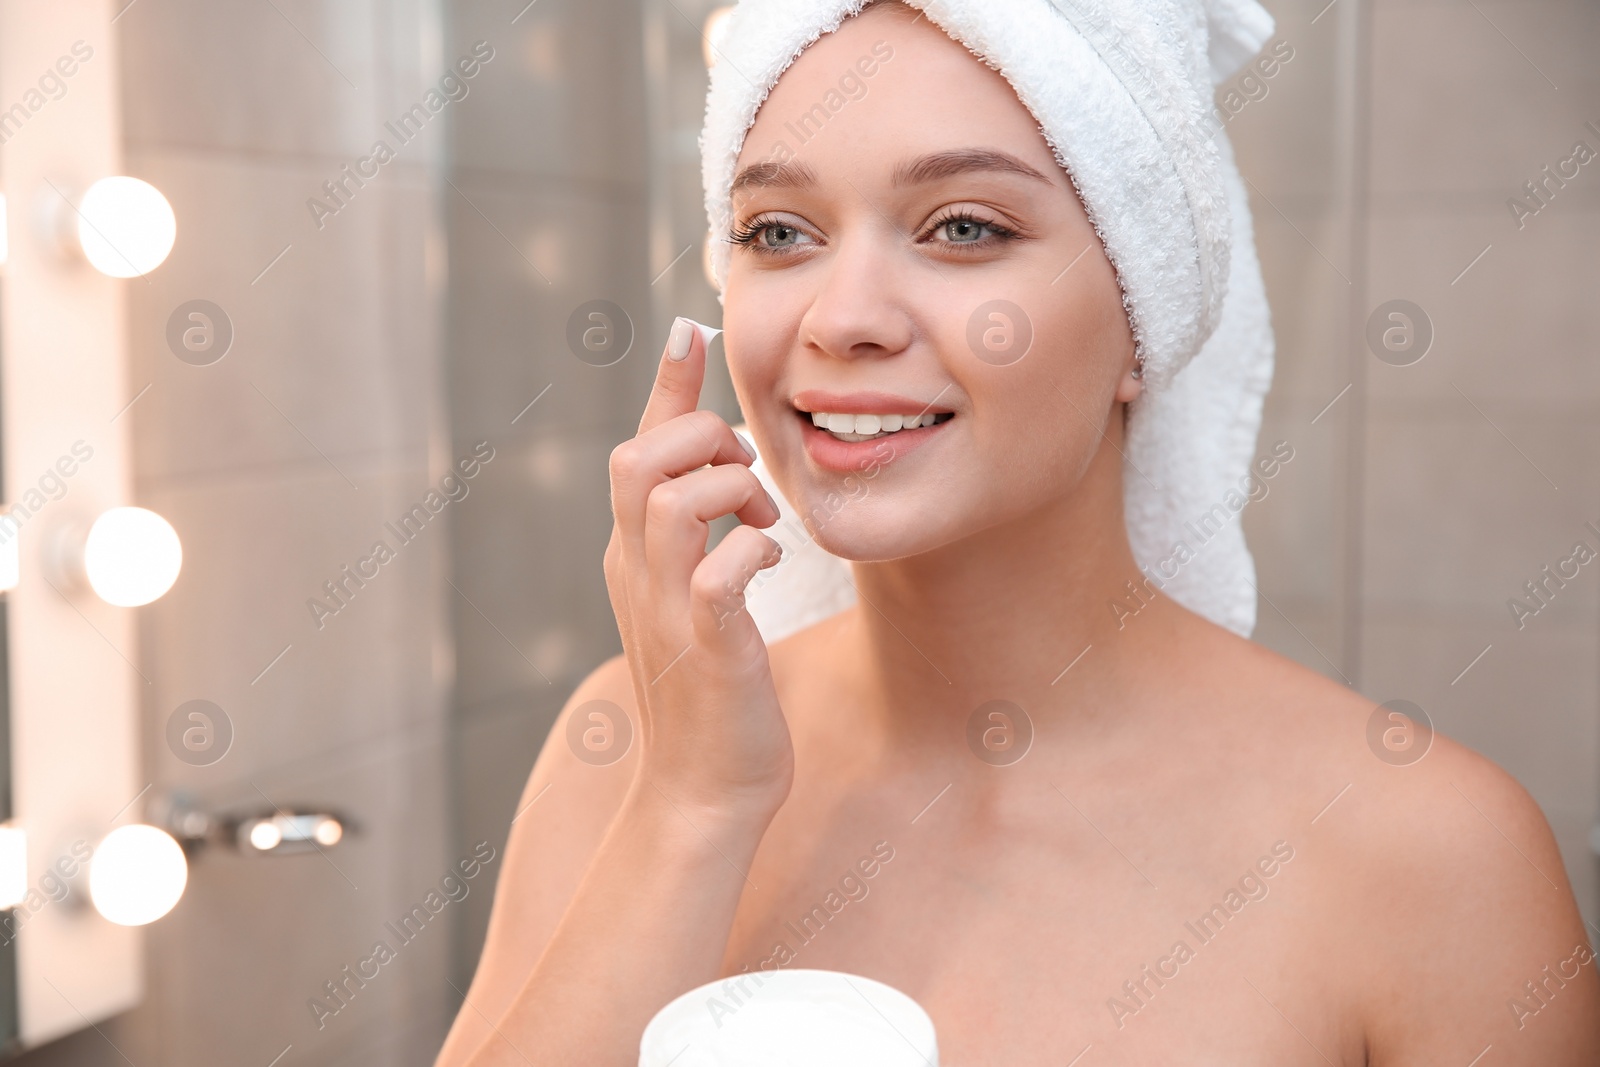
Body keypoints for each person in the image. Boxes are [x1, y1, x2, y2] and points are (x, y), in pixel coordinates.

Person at [436, 2, 1600, 1063]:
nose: (841, 319)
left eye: (963, 227)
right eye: (780, 232)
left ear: (1144, 314)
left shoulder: (1427, 857)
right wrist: (690, 811)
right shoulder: (631, 752)